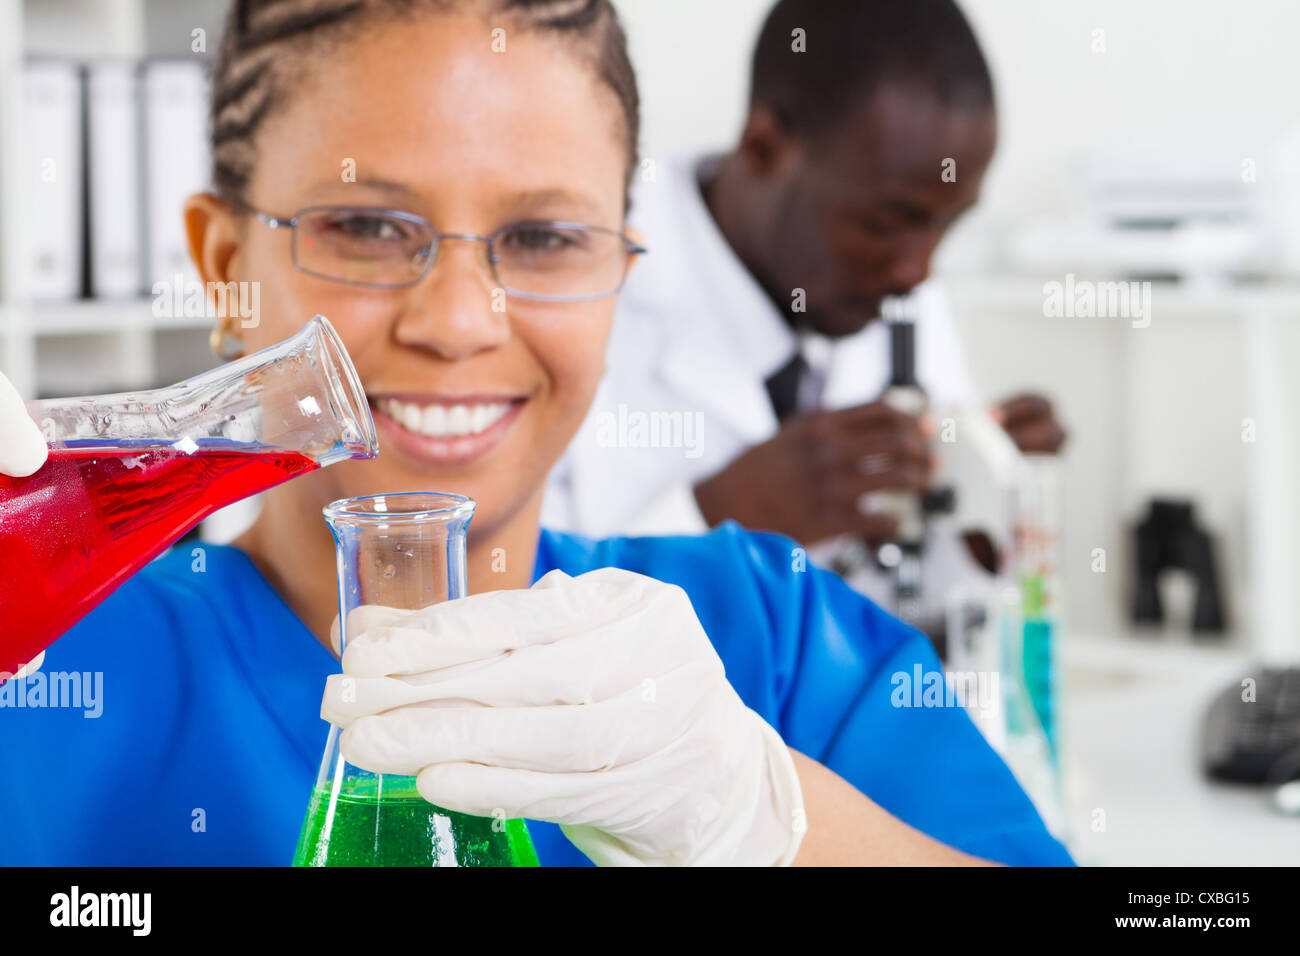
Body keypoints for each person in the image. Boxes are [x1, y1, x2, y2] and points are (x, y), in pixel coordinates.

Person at [0, 0, 1072, 867]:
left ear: (622, 266)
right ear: (224, 263)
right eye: (369, 227)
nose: (460, 321)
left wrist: (764, 822)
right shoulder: (46, 660)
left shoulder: (778, 642)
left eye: (545, 237)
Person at [542, 0, 1067, 622]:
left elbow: (918, 609)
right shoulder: (573, 280)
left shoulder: (893, 289)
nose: (918, 270)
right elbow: (511, 626)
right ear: (764, 148)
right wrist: (717, 516)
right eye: (885, 223)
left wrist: (983, 505)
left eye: (944, 225)